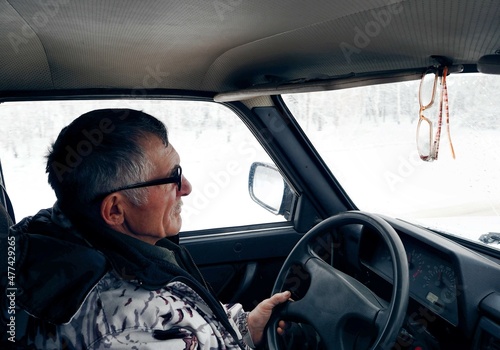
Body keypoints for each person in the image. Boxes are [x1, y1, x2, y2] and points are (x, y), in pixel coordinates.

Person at [1, 108, 290, 349]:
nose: (186, 188)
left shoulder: (56, 234)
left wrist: (244, 328)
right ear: (115, 210)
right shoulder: (131, 325)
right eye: (173, 177)